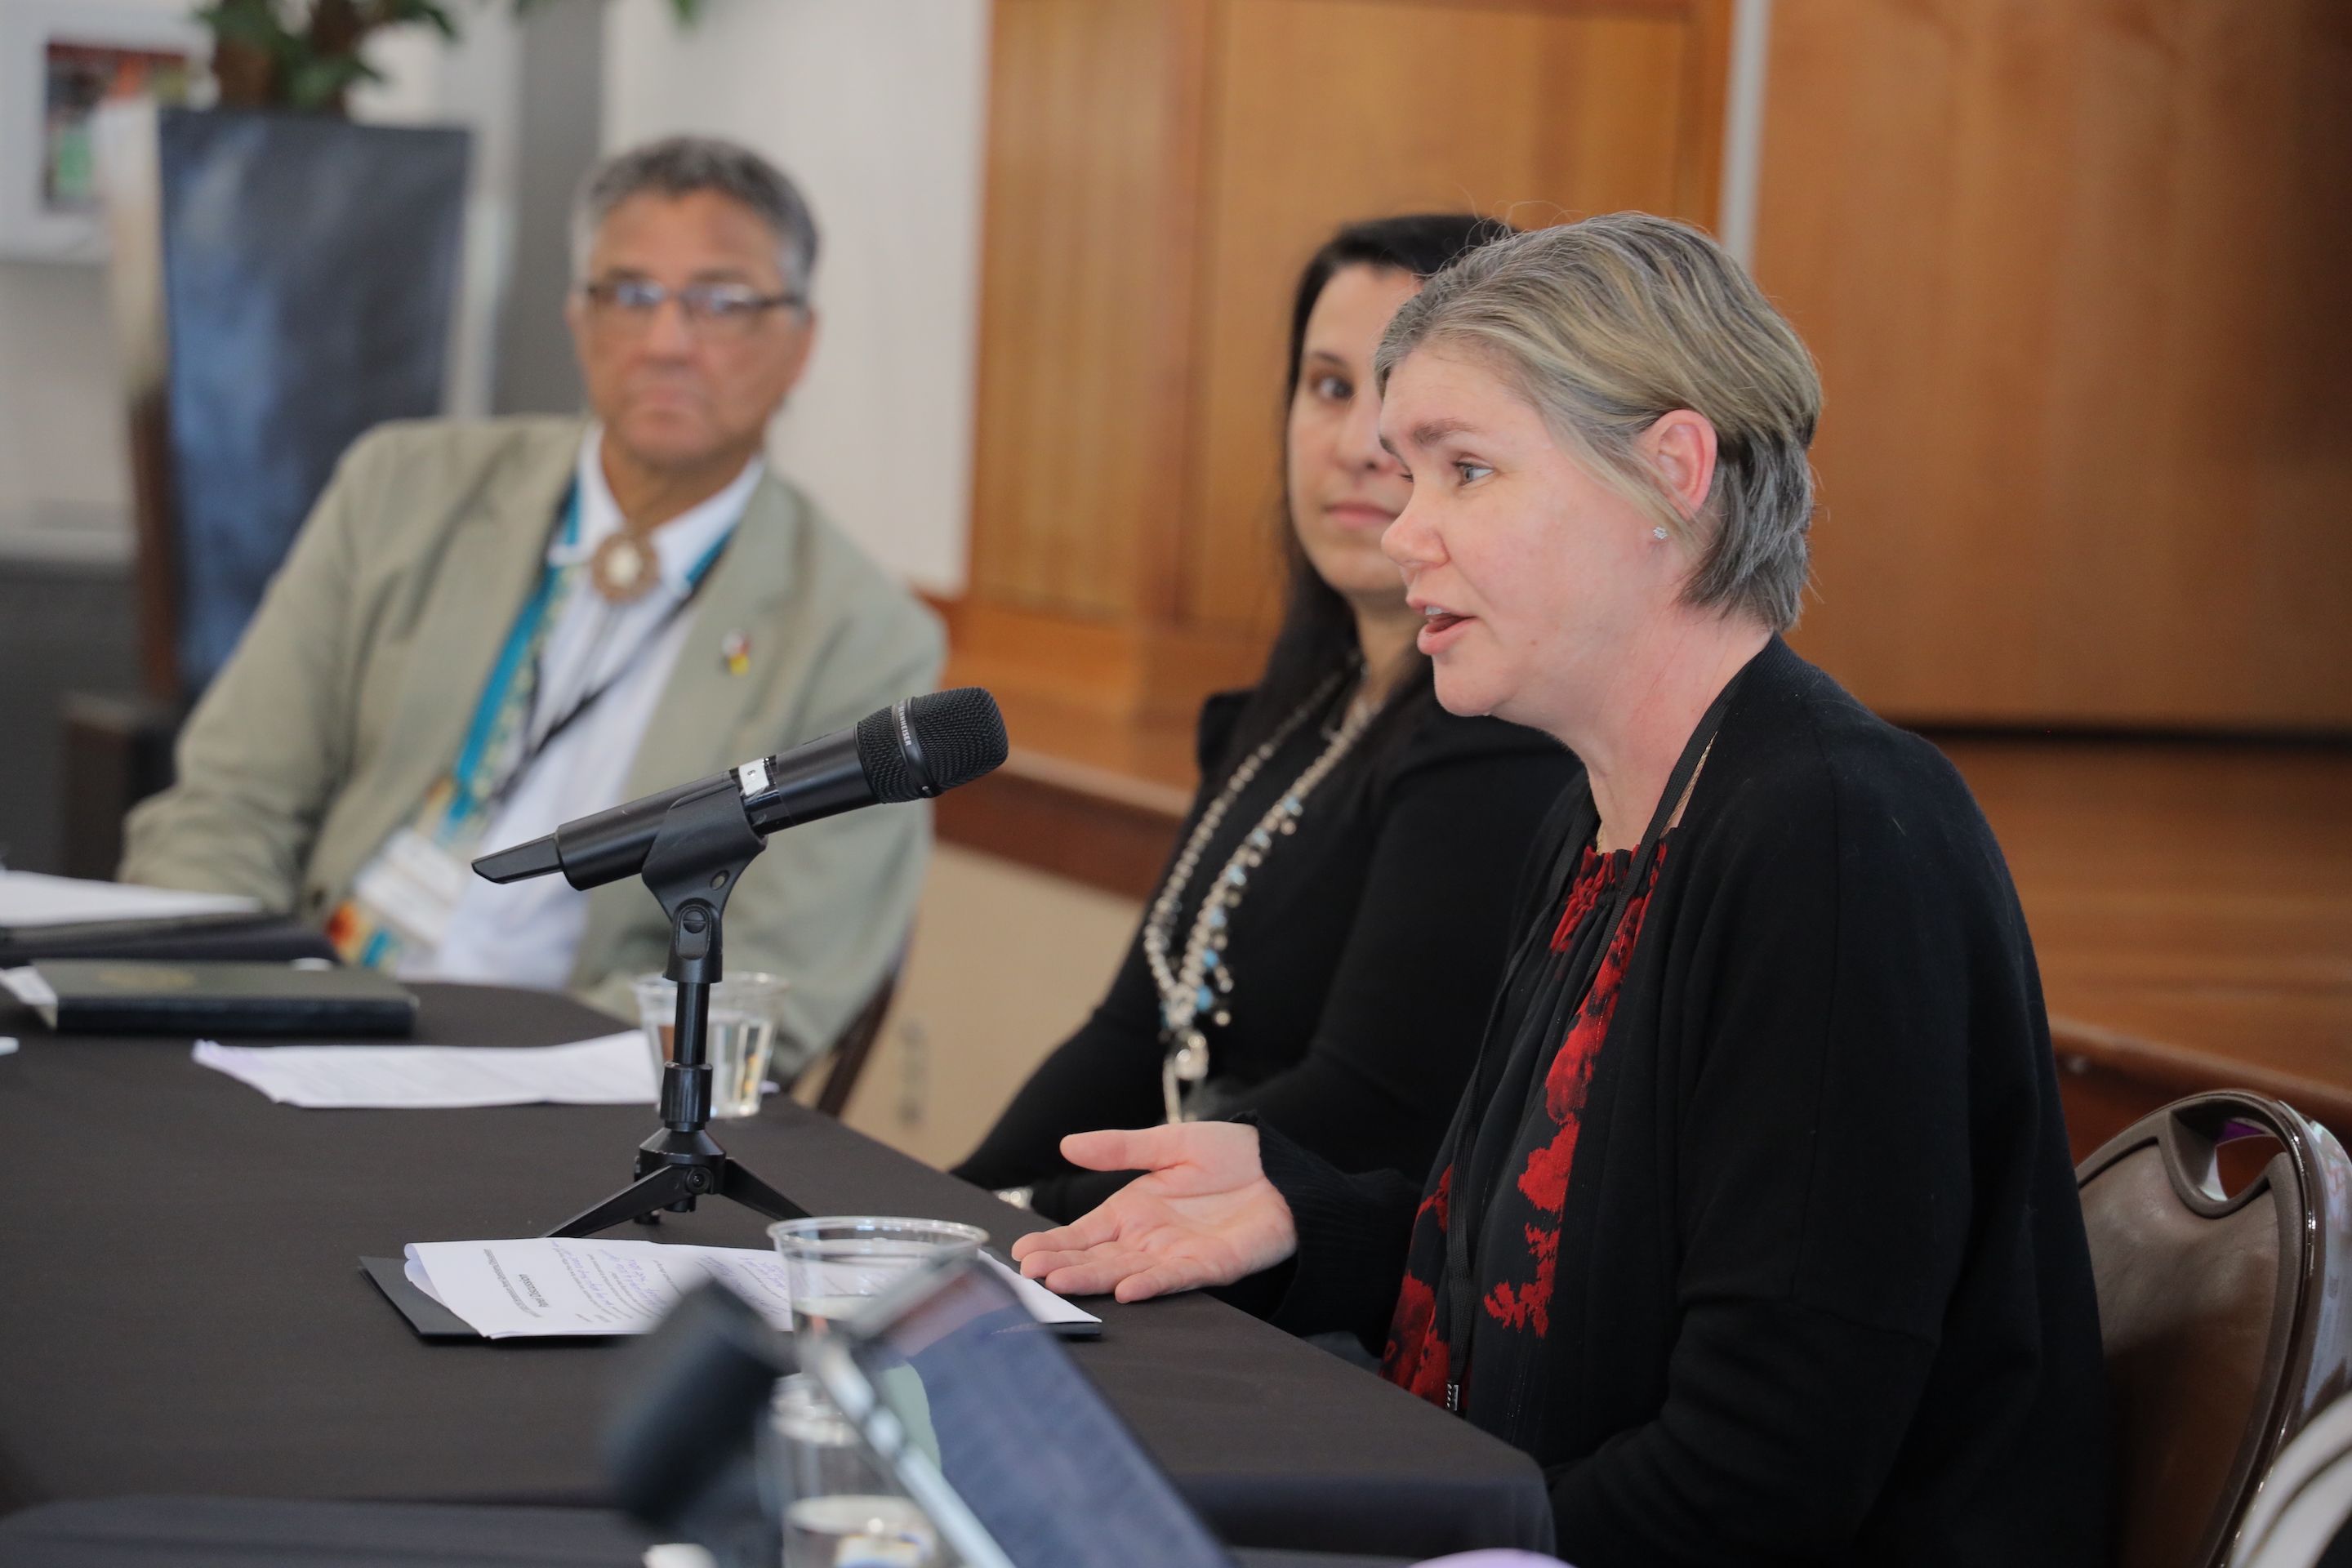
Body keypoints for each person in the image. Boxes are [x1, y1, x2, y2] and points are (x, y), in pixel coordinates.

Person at [1012, 216, 2110, 1562]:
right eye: (1415, 474)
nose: (1407, 528)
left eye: (1466, 470)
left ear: (1672, 476)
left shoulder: (1831, 836)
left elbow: (1765, 1471)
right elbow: (1553, 1285)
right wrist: (1304, 1214)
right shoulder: (1603, 818)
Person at [121, 136, 939, 1076]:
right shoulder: (402, 490)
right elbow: (229, 803)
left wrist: (473, 1075)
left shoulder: (861, 639)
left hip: (553, 1098)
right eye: (630, 295)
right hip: (289, 1026)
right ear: (579, 319)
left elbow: (766, 988)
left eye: (720, 302)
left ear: (800, 341)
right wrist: (220, 1007)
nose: (668, 342)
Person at [954, 216, 1580, 1223]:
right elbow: (1129, 1033)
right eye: (1330, 387)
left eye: (1409, 405)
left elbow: (1365, 1110)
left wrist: (1036, 1210)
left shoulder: (1501, 736)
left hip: (1312, 1301)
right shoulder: (1304, 709)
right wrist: (953, 1211)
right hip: (1152, 1241)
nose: (1359, 447)